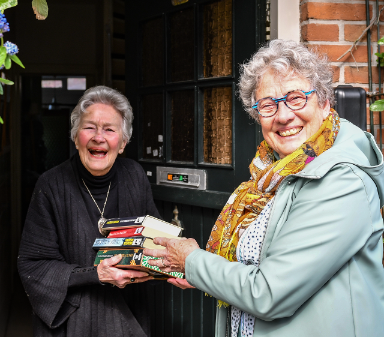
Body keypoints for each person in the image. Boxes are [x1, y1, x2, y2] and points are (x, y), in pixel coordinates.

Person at [145, 40, 384, 337]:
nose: (283, 116)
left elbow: (269, 293)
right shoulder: (270, 177)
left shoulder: (342, 181)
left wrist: (193, 261)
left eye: (296, 98)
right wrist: (203, 275)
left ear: (324, 103)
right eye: (268, 105)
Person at [18, 86, 160, 337]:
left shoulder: (135, 176)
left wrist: (179, 259)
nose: (98, 137)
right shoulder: (51, 185)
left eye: (109, 129)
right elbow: (34, 265)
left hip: (128, 313)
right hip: (72, 321)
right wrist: (96, 274)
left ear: (123, 142)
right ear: (75, 137)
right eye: (89, 127)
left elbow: (155, 240)